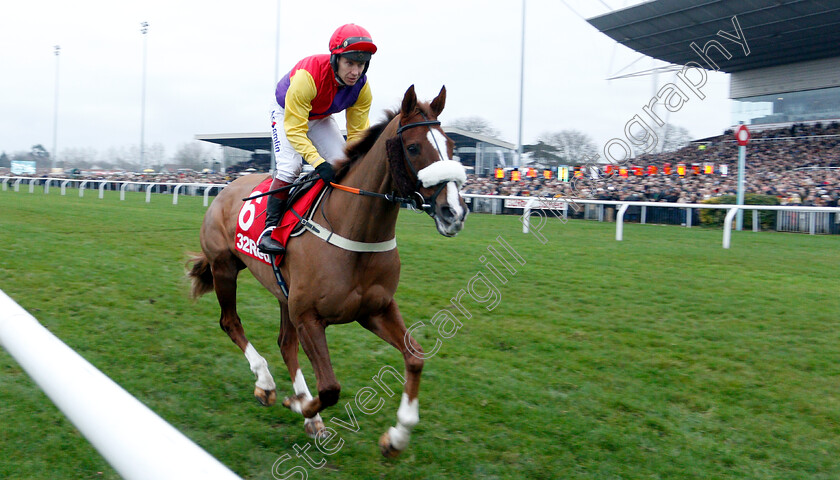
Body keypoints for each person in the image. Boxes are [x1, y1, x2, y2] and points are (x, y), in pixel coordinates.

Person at [258, 23, 377, 254]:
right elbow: (294, 129)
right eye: (349, 63)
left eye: (361, 64)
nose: (355, 71)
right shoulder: (307, 77)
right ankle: (269, 229)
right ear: (335, 59)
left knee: (342, 162)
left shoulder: (362, 88)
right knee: (290, 167)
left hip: (320, 117)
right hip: (287, 113)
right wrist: (317, 162)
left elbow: (358, 134)